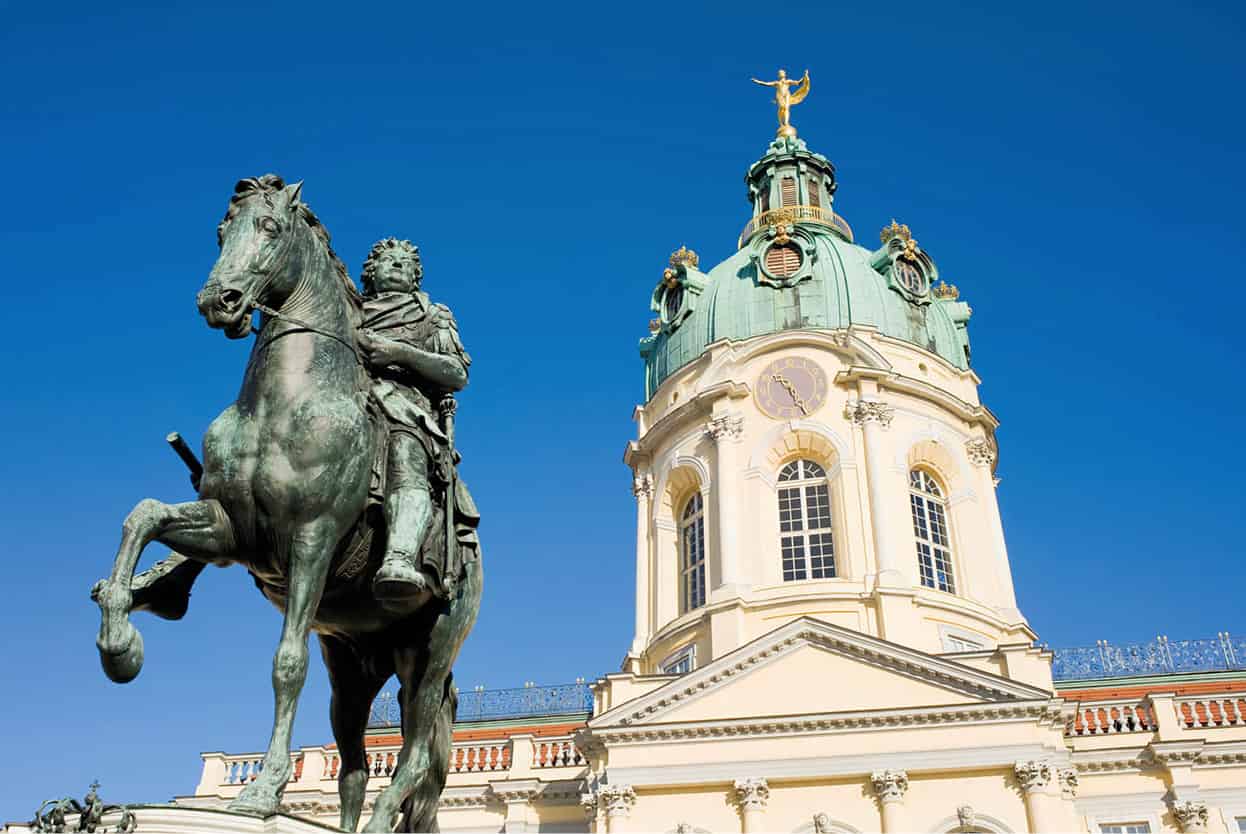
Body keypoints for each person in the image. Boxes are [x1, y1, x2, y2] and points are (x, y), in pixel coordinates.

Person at [357, 238, 470, 604]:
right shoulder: (347, 309)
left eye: (405, 262)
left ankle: (400, 556)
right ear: (371, 272)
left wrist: (400, 353)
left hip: (404, 406)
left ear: (415, 276)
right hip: (349, 399)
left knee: (407, 448)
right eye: (388, 260)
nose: (396, 265)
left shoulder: (432, 315)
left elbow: (455, 372)